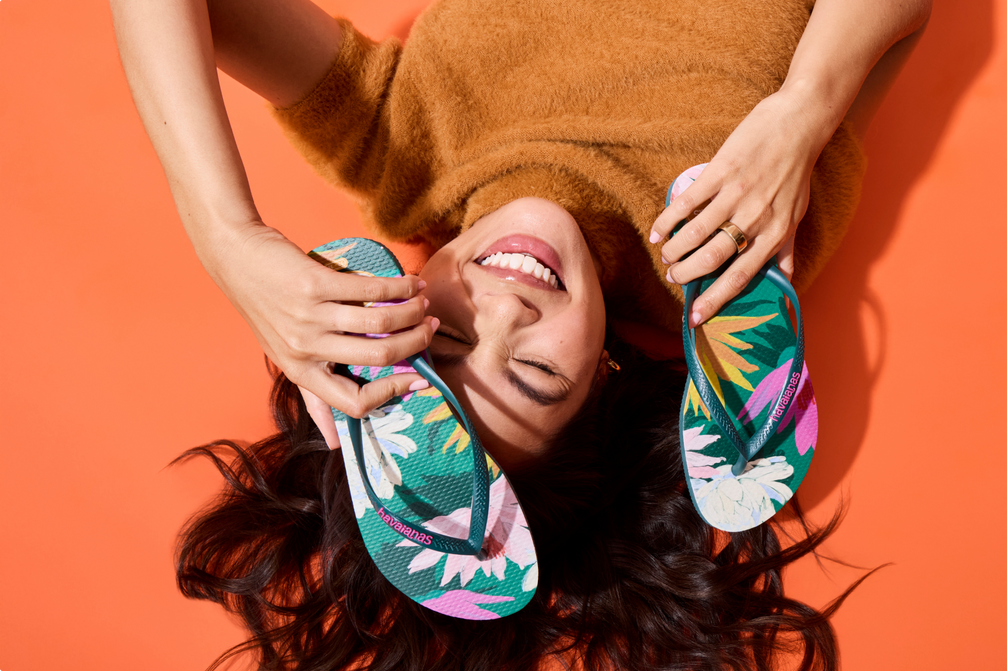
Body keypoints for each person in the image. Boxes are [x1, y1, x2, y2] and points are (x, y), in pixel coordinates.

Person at [111, 0, 928, 667]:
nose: (503, 306)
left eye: (447, 339)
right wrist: (805, 109)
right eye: (535, 372)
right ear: (603, 378)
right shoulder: (729, 240)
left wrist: (227, 237)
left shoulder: (397, 150)